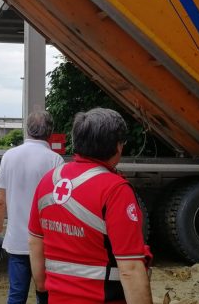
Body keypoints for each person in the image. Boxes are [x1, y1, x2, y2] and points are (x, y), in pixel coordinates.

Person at [28, 108, 152, 304]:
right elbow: (130, 269)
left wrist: (42, 291)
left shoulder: (48, 181)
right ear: (117, 146)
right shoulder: (115, 189)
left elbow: (35, 243)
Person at [0, 110, 64, 304]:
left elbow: (0, 201)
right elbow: (59, 205)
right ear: (50, 132)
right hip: (45, 244)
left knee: (16, 296)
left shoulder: (9, 156)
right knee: (45, 295)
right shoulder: (55, 160)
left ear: (27, 130)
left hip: (16, 243)